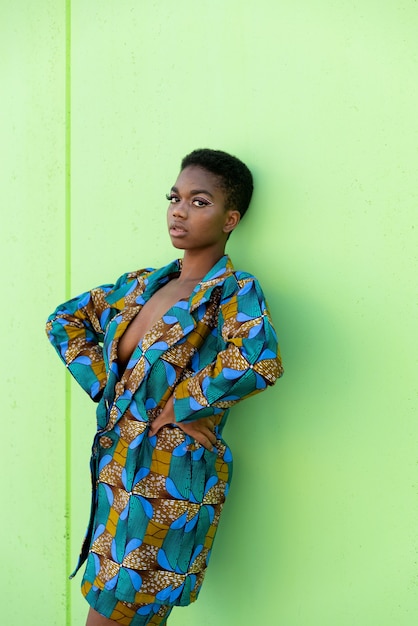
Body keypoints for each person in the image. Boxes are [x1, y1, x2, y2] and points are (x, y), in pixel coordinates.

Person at [46, 148, 284, 625]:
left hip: (168, 474)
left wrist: (184, 402)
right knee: (116, 609)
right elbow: (64, 321)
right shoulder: (140, 286)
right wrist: (115, 390)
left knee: (117, 613)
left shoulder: (232, 291)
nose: (179, 210)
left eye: (200, 202)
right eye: (175, 197)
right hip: (116, 469)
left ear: (230, 218)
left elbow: (260, 359)